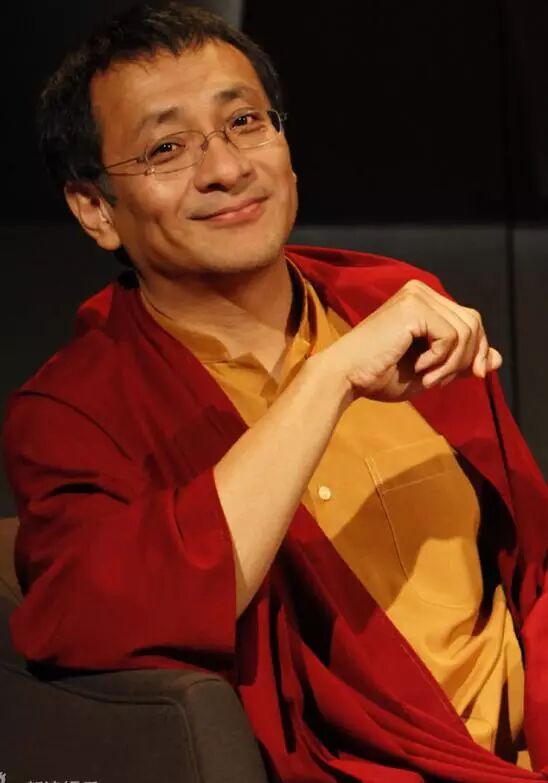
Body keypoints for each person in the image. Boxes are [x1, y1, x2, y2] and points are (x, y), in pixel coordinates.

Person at [3, 3, 547, 781]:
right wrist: (327, 378)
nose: (226, 169)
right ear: (96, 210)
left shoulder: (396, 300)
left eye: (245, 122)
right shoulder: (76, 411)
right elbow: (84, 620)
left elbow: (530, 565)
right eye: (166, 147)